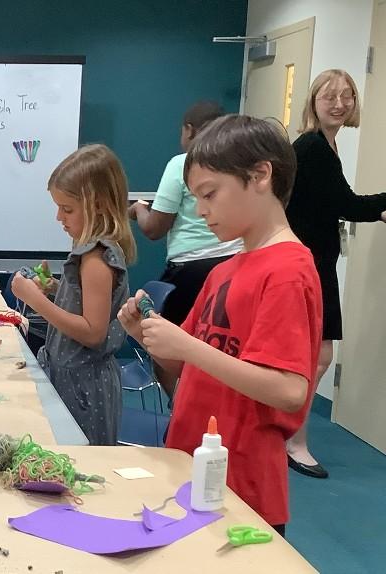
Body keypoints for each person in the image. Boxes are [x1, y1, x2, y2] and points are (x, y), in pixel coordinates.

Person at [119, 115, 321, 535]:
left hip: (241, 486)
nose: (200, 210)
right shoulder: (225, 270)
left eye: (209, 193)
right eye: (194, 197)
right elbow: (189, 365)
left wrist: (188, 346)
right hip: (190, 469)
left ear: (261, 174)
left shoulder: (287, 270)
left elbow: (288, 390)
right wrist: (148, 336)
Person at [285, 69, 386, 479]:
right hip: (306, 265)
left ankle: (289, 436)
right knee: (314, 357)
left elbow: (335, 204)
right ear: (313, 101)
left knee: (315, 357)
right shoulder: (313, 148)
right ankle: (293, 440)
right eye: (330, 96)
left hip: (315, 262)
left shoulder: (325, 147)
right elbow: (348, 204)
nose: (340, 103)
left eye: (347, 96)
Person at [10, 144, 135, 445]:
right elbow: (85, 306)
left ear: (99, 205)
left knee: (83, 460)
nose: (58, 217)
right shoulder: (87, 250)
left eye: (67, 209)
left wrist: (35, 300)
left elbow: (92, 332)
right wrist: (54, 290)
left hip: (85, 388)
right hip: (73, 379)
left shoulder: (95, 257)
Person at [129, 101, 243, 397]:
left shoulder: (182, 164)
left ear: (189, 130)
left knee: (167, 350)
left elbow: (154, 228)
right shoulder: (234, 164)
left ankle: (182, 411)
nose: (204, 211)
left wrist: (140, 210)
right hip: (233, 266)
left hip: (190, 272)